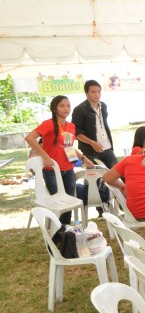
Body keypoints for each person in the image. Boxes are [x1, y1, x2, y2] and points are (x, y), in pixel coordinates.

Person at [25, 95, 95, 225]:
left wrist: (84, 158)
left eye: (68, 105)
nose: (66, 108)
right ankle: (58, 231)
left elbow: (69, 148)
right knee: (58, 203)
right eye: (62, 106)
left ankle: (65, 231)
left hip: (68, 169)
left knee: (68, 202)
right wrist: (44, 155)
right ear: (54, 108)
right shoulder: (49, 124)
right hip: (51, 170)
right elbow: (29, 138)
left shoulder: (71, 126)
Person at [71, 79, 117, 168]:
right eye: (93, 92)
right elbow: (76, 132)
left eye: (99, 91)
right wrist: (92, 143)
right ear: (86, 93)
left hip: (107, 147)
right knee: (94, 177)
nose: (97, 94)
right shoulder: (79, 109)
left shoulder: (103, 106)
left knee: (116, 174)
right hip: (90, 151)